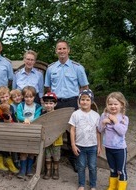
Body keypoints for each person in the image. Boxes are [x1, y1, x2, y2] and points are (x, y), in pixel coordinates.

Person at [44, 39, 89, 172]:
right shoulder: (51, 68)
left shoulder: (77, 67)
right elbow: (48, 88)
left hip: (72, 101)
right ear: (56, 51)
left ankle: (75, 159)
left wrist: (81, 103)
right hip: (56, 102)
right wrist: (50, 103)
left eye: (64, 48)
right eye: (59, 49)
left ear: (68, 50)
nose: (62, 51)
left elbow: (84, 87)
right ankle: (51, 158)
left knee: (73, 132)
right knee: (55, 130)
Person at [69, 89, 101, 190]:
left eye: (87, 99)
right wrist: (73, 145)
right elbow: (72, 130)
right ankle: (81, 184)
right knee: (81, 166)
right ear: (79, 101)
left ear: (91, 101)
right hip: (80, 146)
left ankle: (93, 185)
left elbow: (98, 132)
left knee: (92, 166)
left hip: (92, 146)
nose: (85, 102)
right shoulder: (75, 114)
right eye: (82, 99)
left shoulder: (96, 115)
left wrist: (99, 146)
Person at [98, 92, 129, 190]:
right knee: (112, 169)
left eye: (116, 104)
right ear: (107, 105)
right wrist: (103, 123)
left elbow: (122, 132)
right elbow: (99, 130)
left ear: (122, 104)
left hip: (120, 149)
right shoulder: (104, 115)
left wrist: (115, 121)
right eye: (110, 104)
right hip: (108, 147)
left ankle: (121, 188)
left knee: (121, 170)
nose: (113, 106)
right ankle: (112, 186)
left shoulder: (124, 118)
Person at [0, 86, 19, 174]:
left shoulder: (11, 107)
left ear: (9, 96)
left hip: (9, 131)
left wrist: (12, 122)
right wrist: (1, 120)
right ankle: (0, 163)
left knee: (7, 144)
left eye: (6, 96)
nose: (4, 99)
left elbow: (14, 118)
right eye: (2, 97)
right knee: (0, 143)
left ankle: (9, 162)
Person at [16, 86, 42, 178]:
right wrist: (25, 119)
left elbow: (38, 117)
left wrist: (31, 121)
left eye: (31, 97)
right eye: (26, 97)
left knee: (31, 150)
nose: (28, 99)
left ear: (34, 97)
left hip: (33, 130)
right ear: (23, 97)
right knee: (23, 150)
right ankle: (22, 169)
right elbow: (18, 115)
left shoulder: (38, 106)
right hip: (23, 130)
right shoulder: (21, 105)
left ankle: (29, 169)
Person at [42, 92, 62, 180]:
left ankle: (56, 170)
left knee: (56, 156)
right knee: (47, 156)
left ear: (55, 104)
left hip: (57, 139)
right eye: (46, 103)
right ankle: (48, 171)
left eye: (51, 103)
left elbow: (61, 127)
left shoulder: (59, 115)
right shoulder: (42, 115)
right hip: (46, 139)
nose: (48, 105)